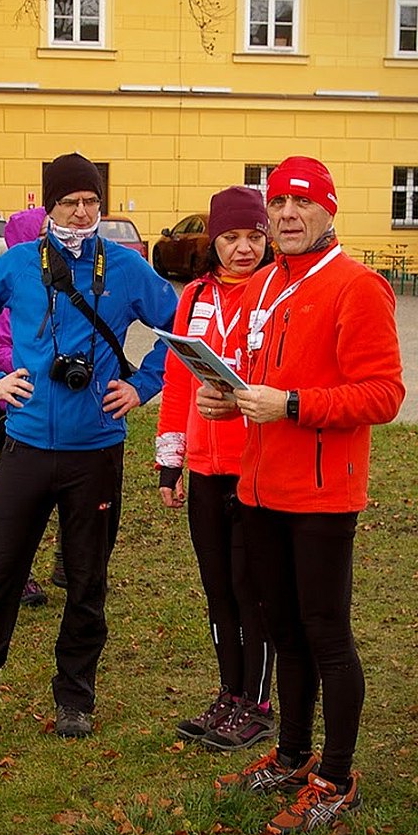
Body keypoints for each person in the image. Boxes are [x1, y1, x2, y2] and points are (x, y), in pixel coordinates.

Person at [0, 152, 178, 744]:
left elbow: (182, 326)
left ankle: (75, 700)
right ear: (50, 207)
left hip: (97, 452)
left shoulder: (126, 268)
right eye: (69, 202)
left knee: (86, 582)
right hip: (26, 447)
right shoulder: (16, 265)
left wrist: (142, 386)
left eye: (91, 201)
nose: (82, 212)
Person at [202, 156, 405, 834]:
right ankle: (290, 756)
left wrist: (290, 403)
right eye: (279, 203)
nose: (287, 214)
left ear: (328, 210)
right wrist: (227, 400)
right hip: (258, 488)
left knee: (325, 637)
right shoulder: (263, 284)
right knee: (283, 631)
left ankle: (337, 778)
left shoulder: (357, 286)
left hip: (322, 495)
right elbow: (257, 377)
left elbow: (384, 394)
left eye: (302, 202)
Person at [155, 186, 275, 750]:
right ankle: (230, 692)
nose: (244, 248)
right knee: (218, 587)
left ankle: (258, 701)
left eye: (255, 236)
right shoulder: (196, 294)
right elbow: (178, 381)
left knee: (254, 587)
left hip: (259, 463)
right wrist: (170, 463)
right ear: (214, 241)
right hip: (205, 463)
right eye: (231, 237)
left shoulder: (277, 292)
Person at [0, 205, 64, 606]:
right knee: (20, 503)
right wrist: (23, 366)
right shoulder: (13, 289)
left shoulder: (64, 280)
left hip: (61, 411)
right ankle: (20, 575)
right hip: (15, 410)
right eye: (47, 230)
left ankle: (67, 561)